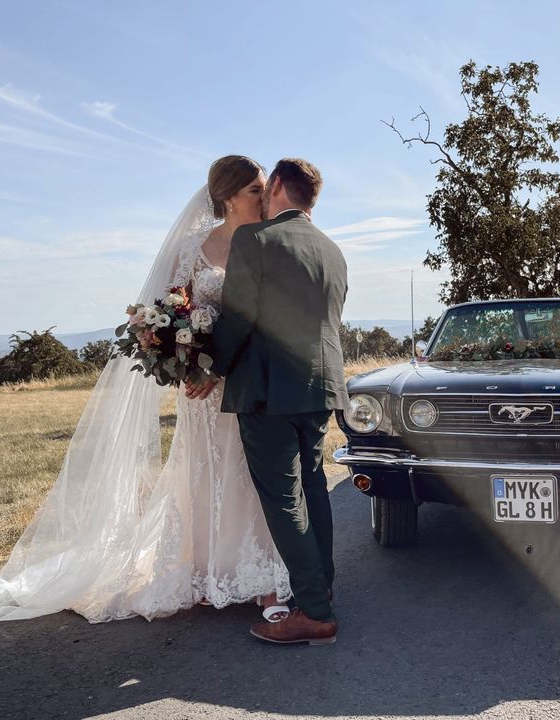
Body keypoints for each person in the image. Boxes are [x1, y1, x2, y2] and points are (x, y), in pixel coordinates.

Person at [0, 156, 292, 623]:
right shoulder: (193, 247)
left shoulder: (267, 242)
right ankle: (207, 573)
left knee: (252, 473)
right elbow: (168, 310)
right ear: (228, 197)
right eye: (255, 190)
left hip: (248, 379)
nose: (264, 198)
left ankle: (262, 575)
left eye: (265, 189)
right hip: (201, 389)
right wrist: (186, 361)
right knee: (206, 472)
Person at [190, 158, 348, 645]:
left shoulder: (253, 241)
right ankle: (321, 589)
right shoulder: (332, 249)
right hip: (321, 388)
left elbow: (237, 320)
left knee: (284, 498)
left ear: (277, 185)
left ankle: (315, 614)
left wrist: (209, 368)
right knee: (314, 487)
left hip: (268, 391)